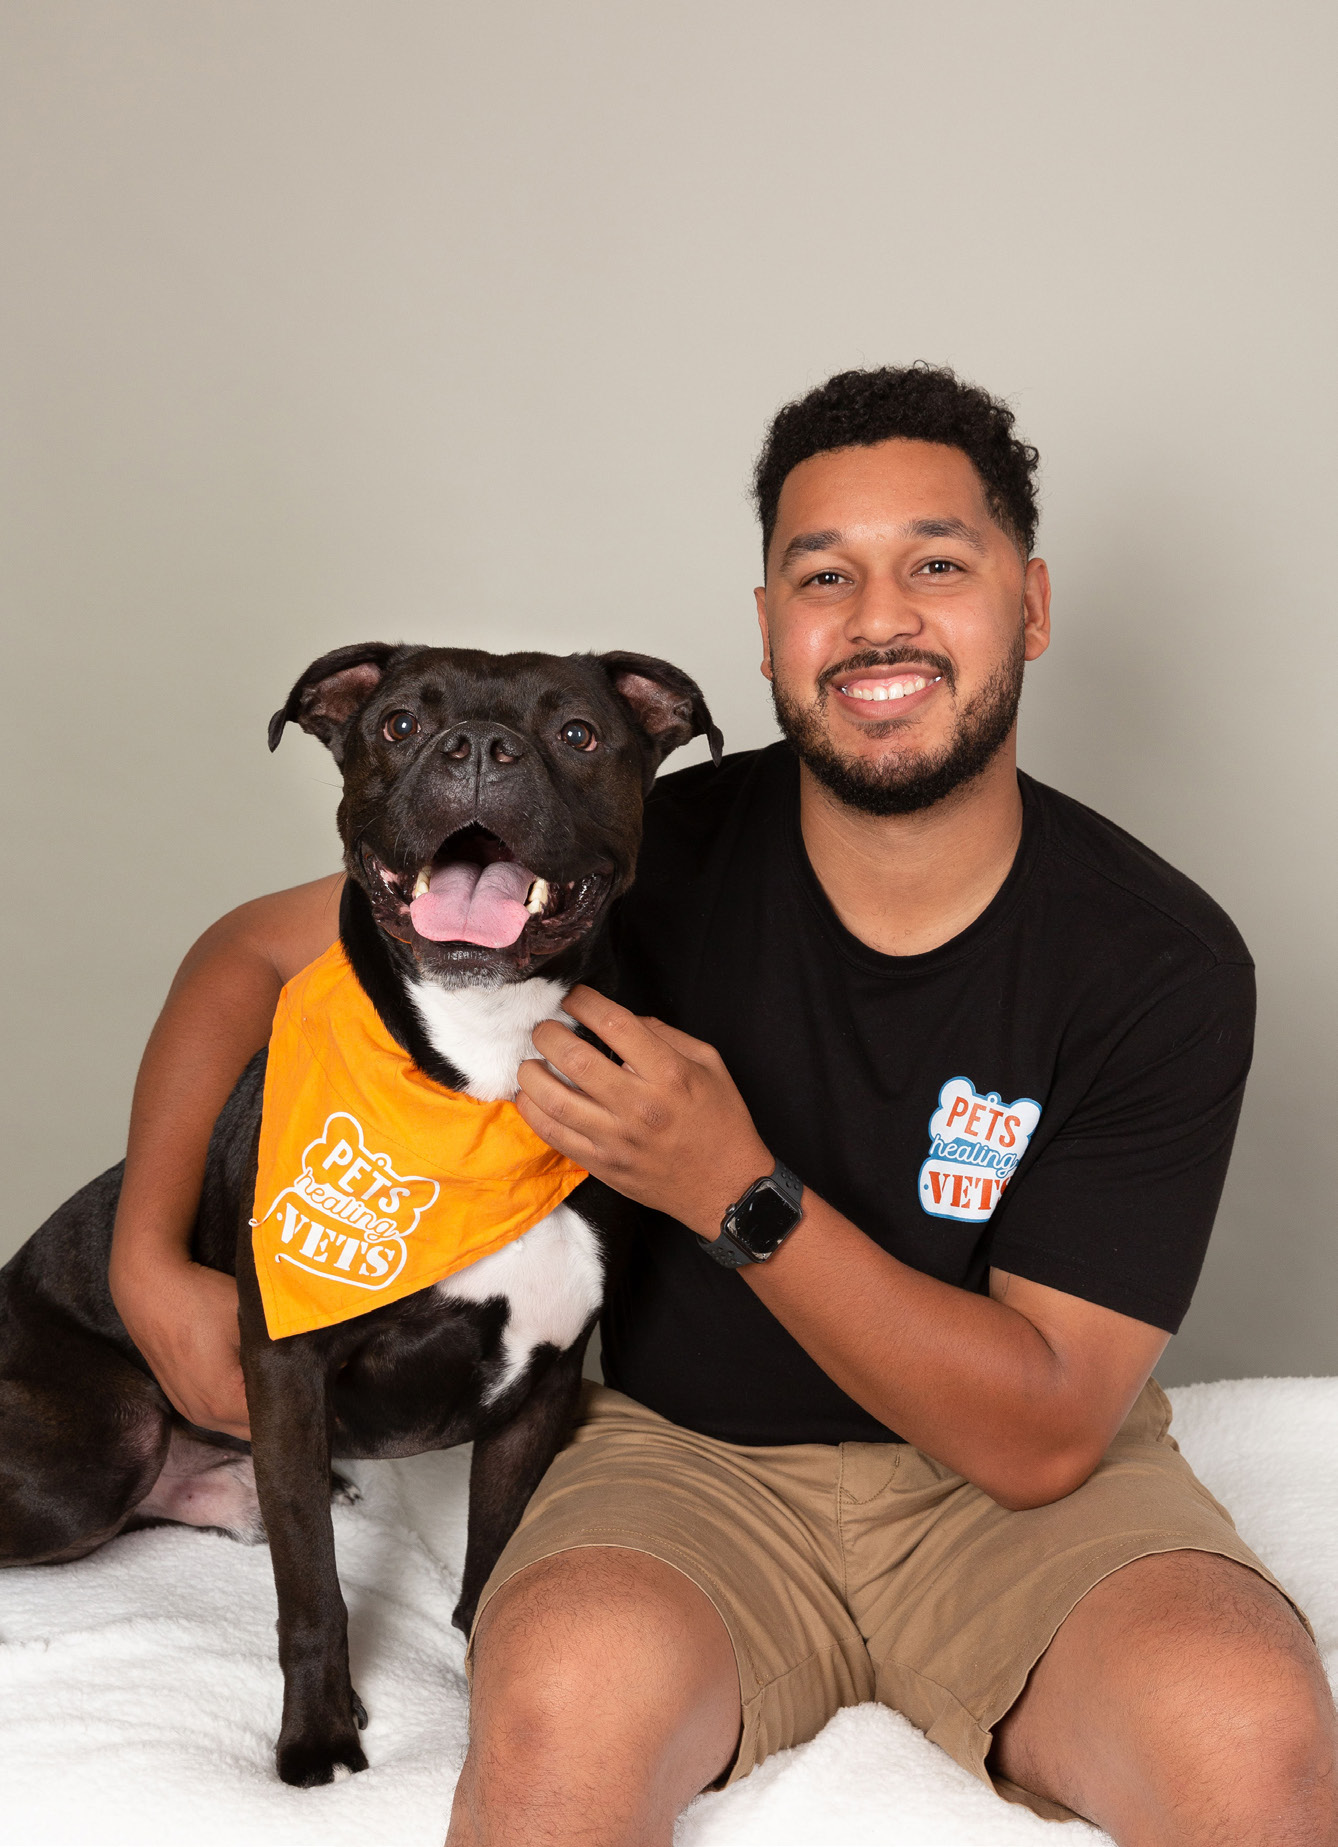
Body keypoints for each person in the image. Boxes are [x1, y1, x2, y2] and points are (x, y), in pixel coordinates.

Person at [108, 366, 1337, 1845]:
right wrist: (145, 1260)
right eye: (825, 575)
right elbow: (251, 955)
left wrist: (732, 1192)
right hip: (679, 1470)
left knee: (1254, 1742)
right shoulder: (623, 850)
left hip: (1023, 1504)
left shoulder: (1157, 959)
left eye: (937, 565)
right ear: (765, 632)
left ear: (1031, 605)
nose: (878, 618)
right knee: (551, 1724)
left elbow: (1044, 1438)